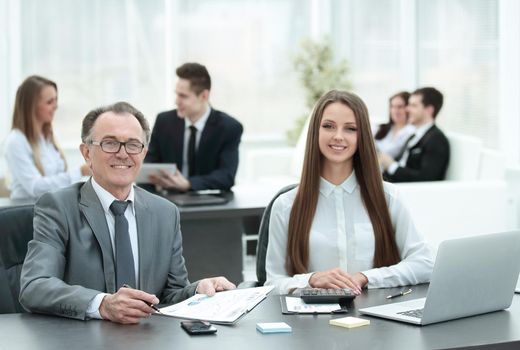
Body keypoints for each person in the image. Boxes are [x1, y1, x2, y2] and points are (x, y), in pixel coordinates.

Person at [19, 102, 235, 324]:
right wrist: (102, 304)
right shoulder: (57, 207)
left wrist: (199, 290)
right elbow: (34, 285)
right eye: (110, 143)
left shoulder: (165, 213)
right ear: (86, 153)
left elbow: (170, 296)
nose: (123, 154)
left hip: (148, 341)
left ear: (143, 153)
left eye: (133, 145)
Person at [265, 90, 433, 294]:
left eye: (350, 129)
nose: (338, 136)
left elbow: (424, 264)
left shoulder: (389, 197)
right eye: (328, 126)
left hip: (377, 318)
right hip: (310, 321)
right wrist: (311, 280)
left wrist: (365, 277)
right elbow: (272, 283)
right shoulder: (286, 205)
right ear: (315, 132)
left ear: (361, 136)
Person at [145, 62, 243, 192]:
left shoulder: (229, 127)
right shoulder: (164, 121)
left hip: (209, 203)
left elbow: (226, 176)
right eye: (177, 94)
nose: (176, 101)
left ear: (204, 96)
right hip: (168, 199)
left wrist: (188, 184)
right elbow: (148, 165)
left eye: (183, 96)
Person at [4, 75, 90, 200]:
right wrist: (80, 172)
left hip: (50, 206)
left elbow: (56, 178)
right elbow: (35, 187)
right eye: (49, 102)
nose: (56, 106)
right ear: (31, 107)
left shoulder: (47, 138)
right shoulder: (16, 142)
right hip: (26, 211)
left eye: (56, 100)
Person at [379, 87, 450, 182]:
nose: (407, 109)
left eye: (413, 105)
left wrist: (391, 166)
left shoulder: (436, 139)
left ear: (429, 110)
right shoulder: (414, 136)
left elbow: (426, 178)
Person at [374, 91, 415, 159]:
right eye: (392, 106)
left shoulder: (412, 131)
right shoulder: (381, 128)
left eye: (400, 107)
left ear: (408, 108)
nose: (395, 111)